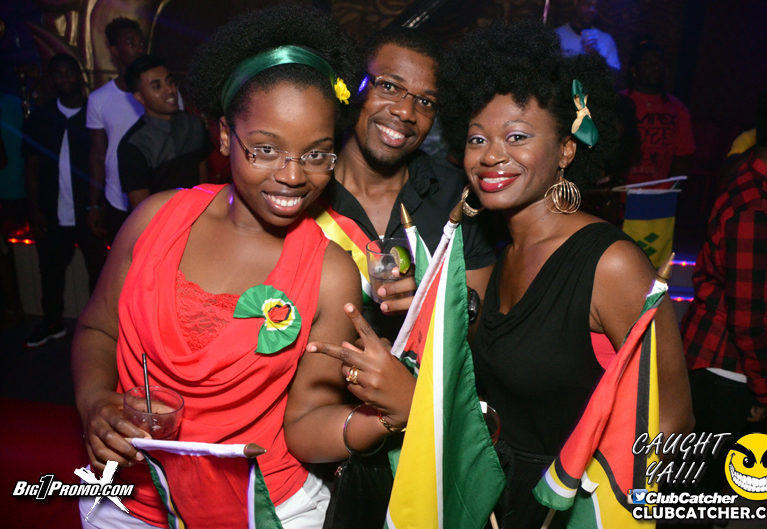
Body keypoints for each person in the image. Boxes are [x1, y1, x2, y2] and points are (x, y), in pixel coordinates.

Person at [72, 6, 415, 528]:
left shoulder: (330, 273)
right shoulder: (154, 220)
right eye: (266, 150)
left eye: (316, 154)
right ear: (225, 136)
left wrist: (390, 415)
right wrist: (96, 400)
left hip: (266, 510)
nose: (293, 176)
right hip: (127, 503)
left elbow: (305, 425)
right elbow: (97, 329)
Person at [438, 19, 693, 528]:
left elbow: (672, 423)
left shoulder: (611, 264)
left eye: (517, 136)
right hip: (496, 500)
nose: (491, 155)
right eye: (477, 138)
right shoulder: (502, 252)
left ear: (566, 151)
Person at [316, 26, 496, 341]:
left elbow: (480, 335)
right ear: (354, 84)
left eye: (426, 102)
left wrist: (442, 300)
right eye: (388, 86)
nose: (405, 112)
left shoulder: (459, 196)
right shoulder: (301, 186)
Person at [682, 74, 767, 497]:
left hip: (725, 367)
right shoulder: (759, 207)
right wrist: (766, 388)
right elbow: (748, 315)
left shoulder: (760, 183)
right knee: (694, 501)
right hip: (727, 372)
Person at [21, 54, 107, 348]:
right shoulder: (41, 117)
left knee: (99, 272)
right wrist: (35, 209)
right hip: (52, 209)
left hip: (90, 210)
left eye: (69, 72)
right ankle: (52, 323)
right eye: (58, 73)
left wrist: (100, 206)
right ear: (51, 79)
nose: (64, 78)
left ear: (79, 75)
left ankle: (99, 330)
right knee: (50, 271)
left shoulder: (94, 113)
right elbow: (31, 165)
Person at [118, 54, 211, 209]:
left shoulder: (194, 125)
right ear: (140, 97)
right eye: (157, 87)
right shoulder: (134, 145)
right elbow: (142, 211)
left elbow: (204, 185)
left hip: (198, 216)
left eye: (170, 81)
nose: (170, 90)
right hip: (160, 222)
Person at [86, 17, 145, 244]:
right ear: (114, 50)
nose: (139, 48)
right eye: (131, 43)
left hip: (157, 197)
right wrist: (94, 205)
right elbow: (98, 154)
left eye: (140, 42)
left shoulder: (162, 93)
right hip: (116, 199)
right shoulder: (99, 99)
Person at [622, 39, 694, 187]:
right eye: (648, 63)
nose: (655, 68)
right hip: (618, 192)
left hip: (658, 193)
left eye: (659, 63)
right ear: (634, 70)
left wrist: (669, 189)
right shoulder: (616, 102)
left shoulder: (677, 108)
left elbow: (684, 155)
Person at [555, 0, 620, 71]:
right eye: (587, 4)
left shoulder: (606, 39)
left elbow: (616, 75)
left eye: (595, 6)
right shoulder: (557, 35)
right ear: (575, 4)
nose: (592, 10)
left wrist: (596, 57)